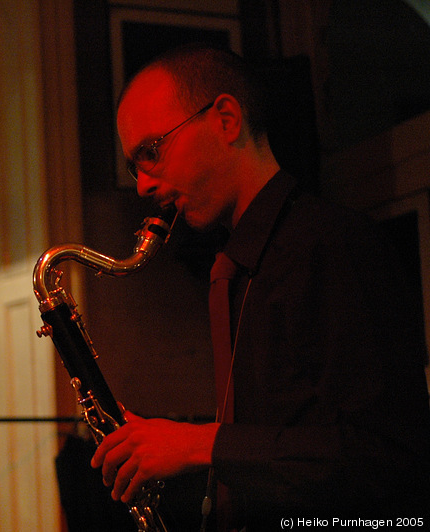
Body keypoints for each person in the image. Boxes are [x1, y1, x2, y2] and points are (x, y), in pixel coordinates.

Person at [90, 44, 430, 530]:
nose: (142, 184)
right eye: (133, 165)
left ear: (226, 119)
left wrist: (196, 444)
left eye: (152, 151)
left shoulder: (332, 245)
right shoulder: (239, 266)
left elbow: (390, 460)